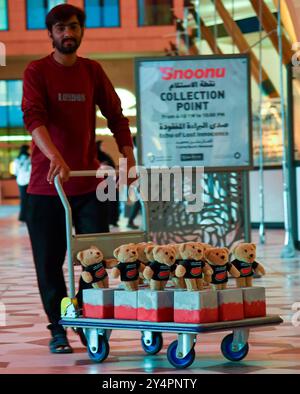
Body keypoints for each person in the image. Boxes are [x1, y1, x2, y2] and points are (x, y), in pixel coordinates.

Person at [22, 4, 135, 354]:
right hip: (46, 187)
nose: (67, 34)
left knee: (94, 262)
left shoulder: (92, 71)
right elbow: (33, 116)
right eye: (60, 28)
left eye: (73, 27)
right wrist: (54, 156)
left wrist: (127, 156)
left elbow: (116, 114)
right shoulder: (36, 70)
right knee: (49, 264)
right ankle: (59, 328)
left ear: (81, 30)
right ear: (51, 33)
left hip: (87, 187)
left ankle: (88, 322)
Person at [96, 140, 120, 227]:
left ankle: (112, 220)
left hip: (108, 182)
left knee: (111, 202)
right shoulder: (102, 156)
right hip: (107, 182)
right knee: (111, 202)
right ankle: (112, 220)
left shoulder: (101, 156)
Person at [13, 144, 31, 222]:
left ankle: (22, 217)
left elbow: (15, 172)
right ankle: (28, 216)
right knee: (29, 199)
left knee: (23, 199)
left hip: (20, 181)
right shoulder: (30, 158)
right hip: (29, 181)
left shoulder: (16, 160)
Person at [127, 136, 141, 229]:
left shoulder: (134, 152)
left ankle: (130, 221)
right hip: (139, 179)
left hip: (137, 178)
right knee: (139, 201)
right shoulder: (138, 152)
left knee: (140, 201)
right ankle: (130, 221)